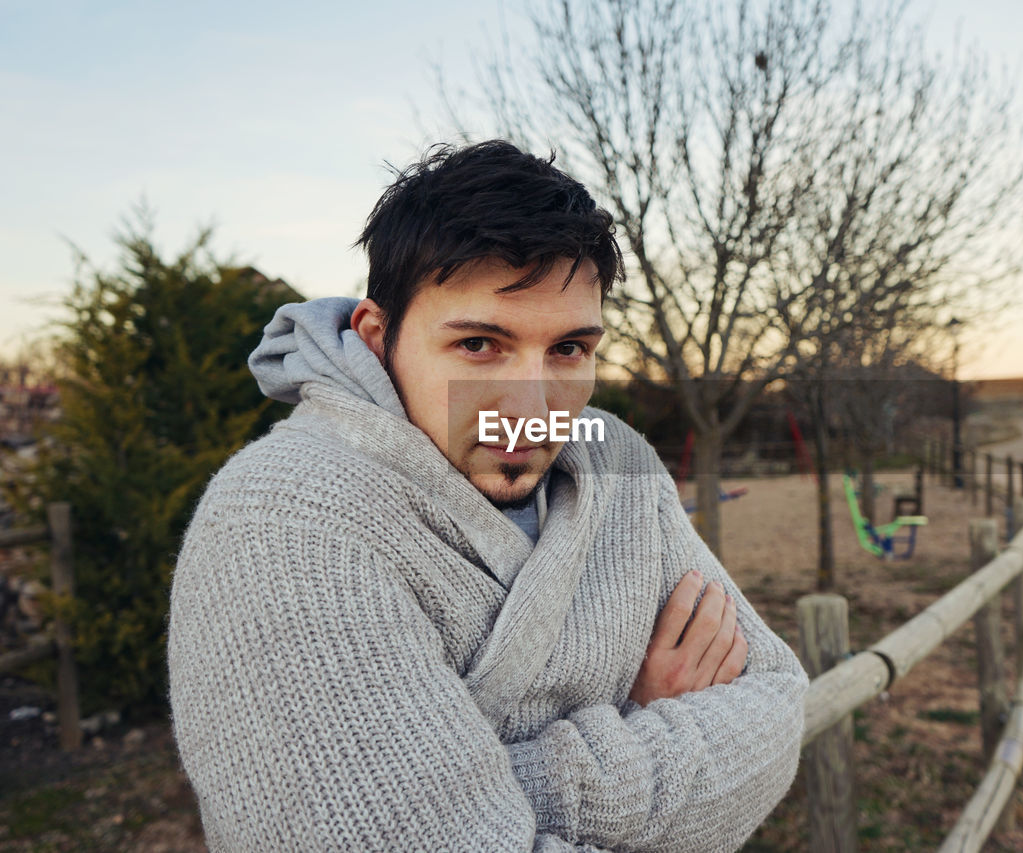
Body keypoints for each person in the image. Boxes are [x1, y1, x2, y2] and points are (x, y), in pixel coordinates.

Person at [167, 140, 806, 852]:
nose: (530, 403)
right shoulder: (280, 523)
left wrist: (497, 792)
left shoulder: (615, 457)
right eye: (479, 344)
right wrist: (639, 713)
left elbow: (777, 698)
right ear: (378, 338)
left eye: (568, 349)